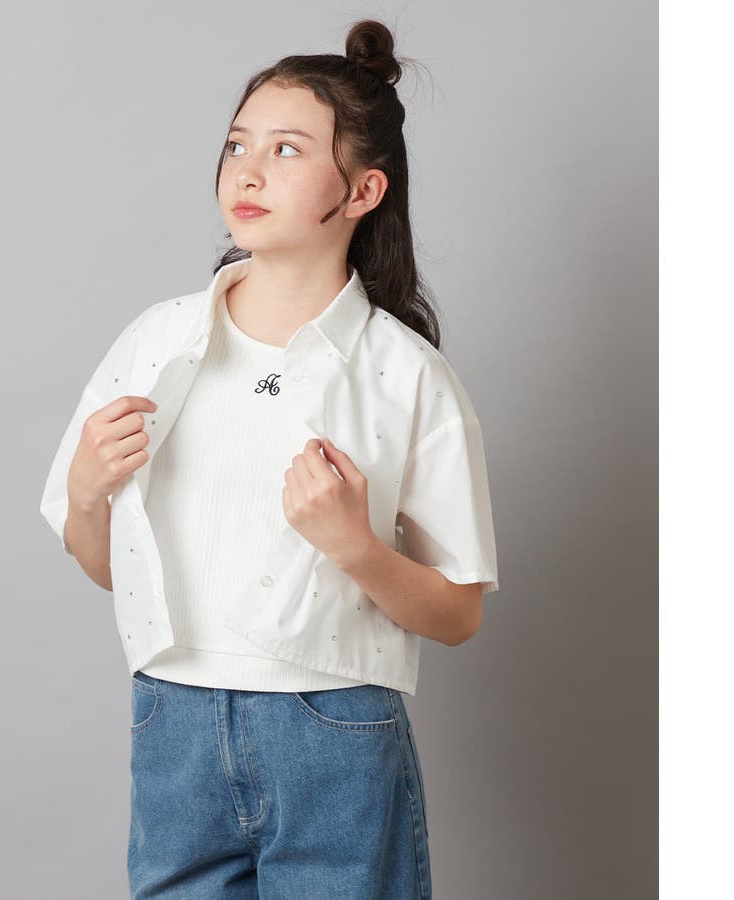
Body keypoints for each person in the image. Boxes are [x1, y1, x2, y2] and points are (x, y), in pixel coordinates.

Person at [40, 17, 499, 900]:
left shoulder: (405, 376)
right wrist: (88, 492)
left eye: (286, 149)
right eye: (237, 144)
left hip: (334, 729)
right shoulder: (155, 344)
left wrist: (356, 547)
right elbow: (112, 571)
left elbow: (458, 615)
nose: (246, 171)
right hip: (171, 715)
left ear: (362, 191)